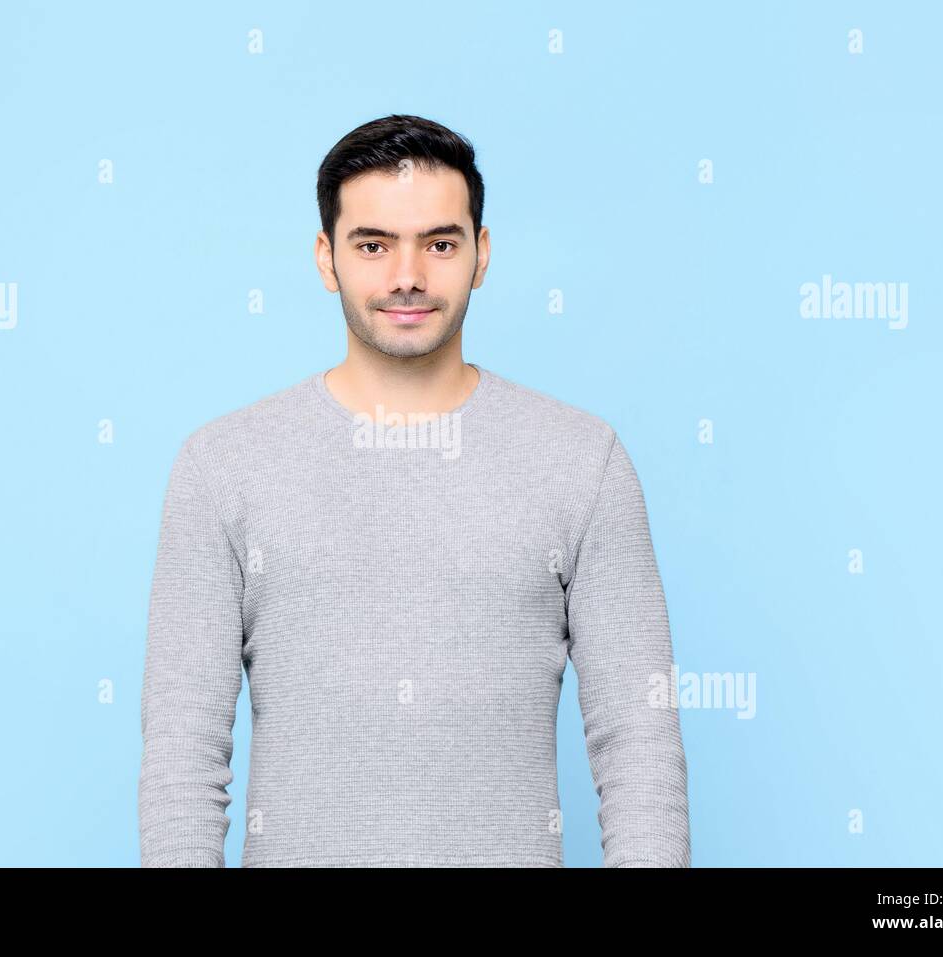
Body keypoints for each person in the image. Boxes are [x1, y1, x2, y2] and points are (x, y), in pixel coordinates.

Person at [138, 114, 690, 867]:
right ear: (326, 258)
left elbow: (639, 746)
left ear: (481, 255)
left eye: (439, 243)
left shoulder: (582, 460)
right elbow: (183, 755)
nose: (408, 275)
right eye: (373, 244)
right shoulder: (222, 466)